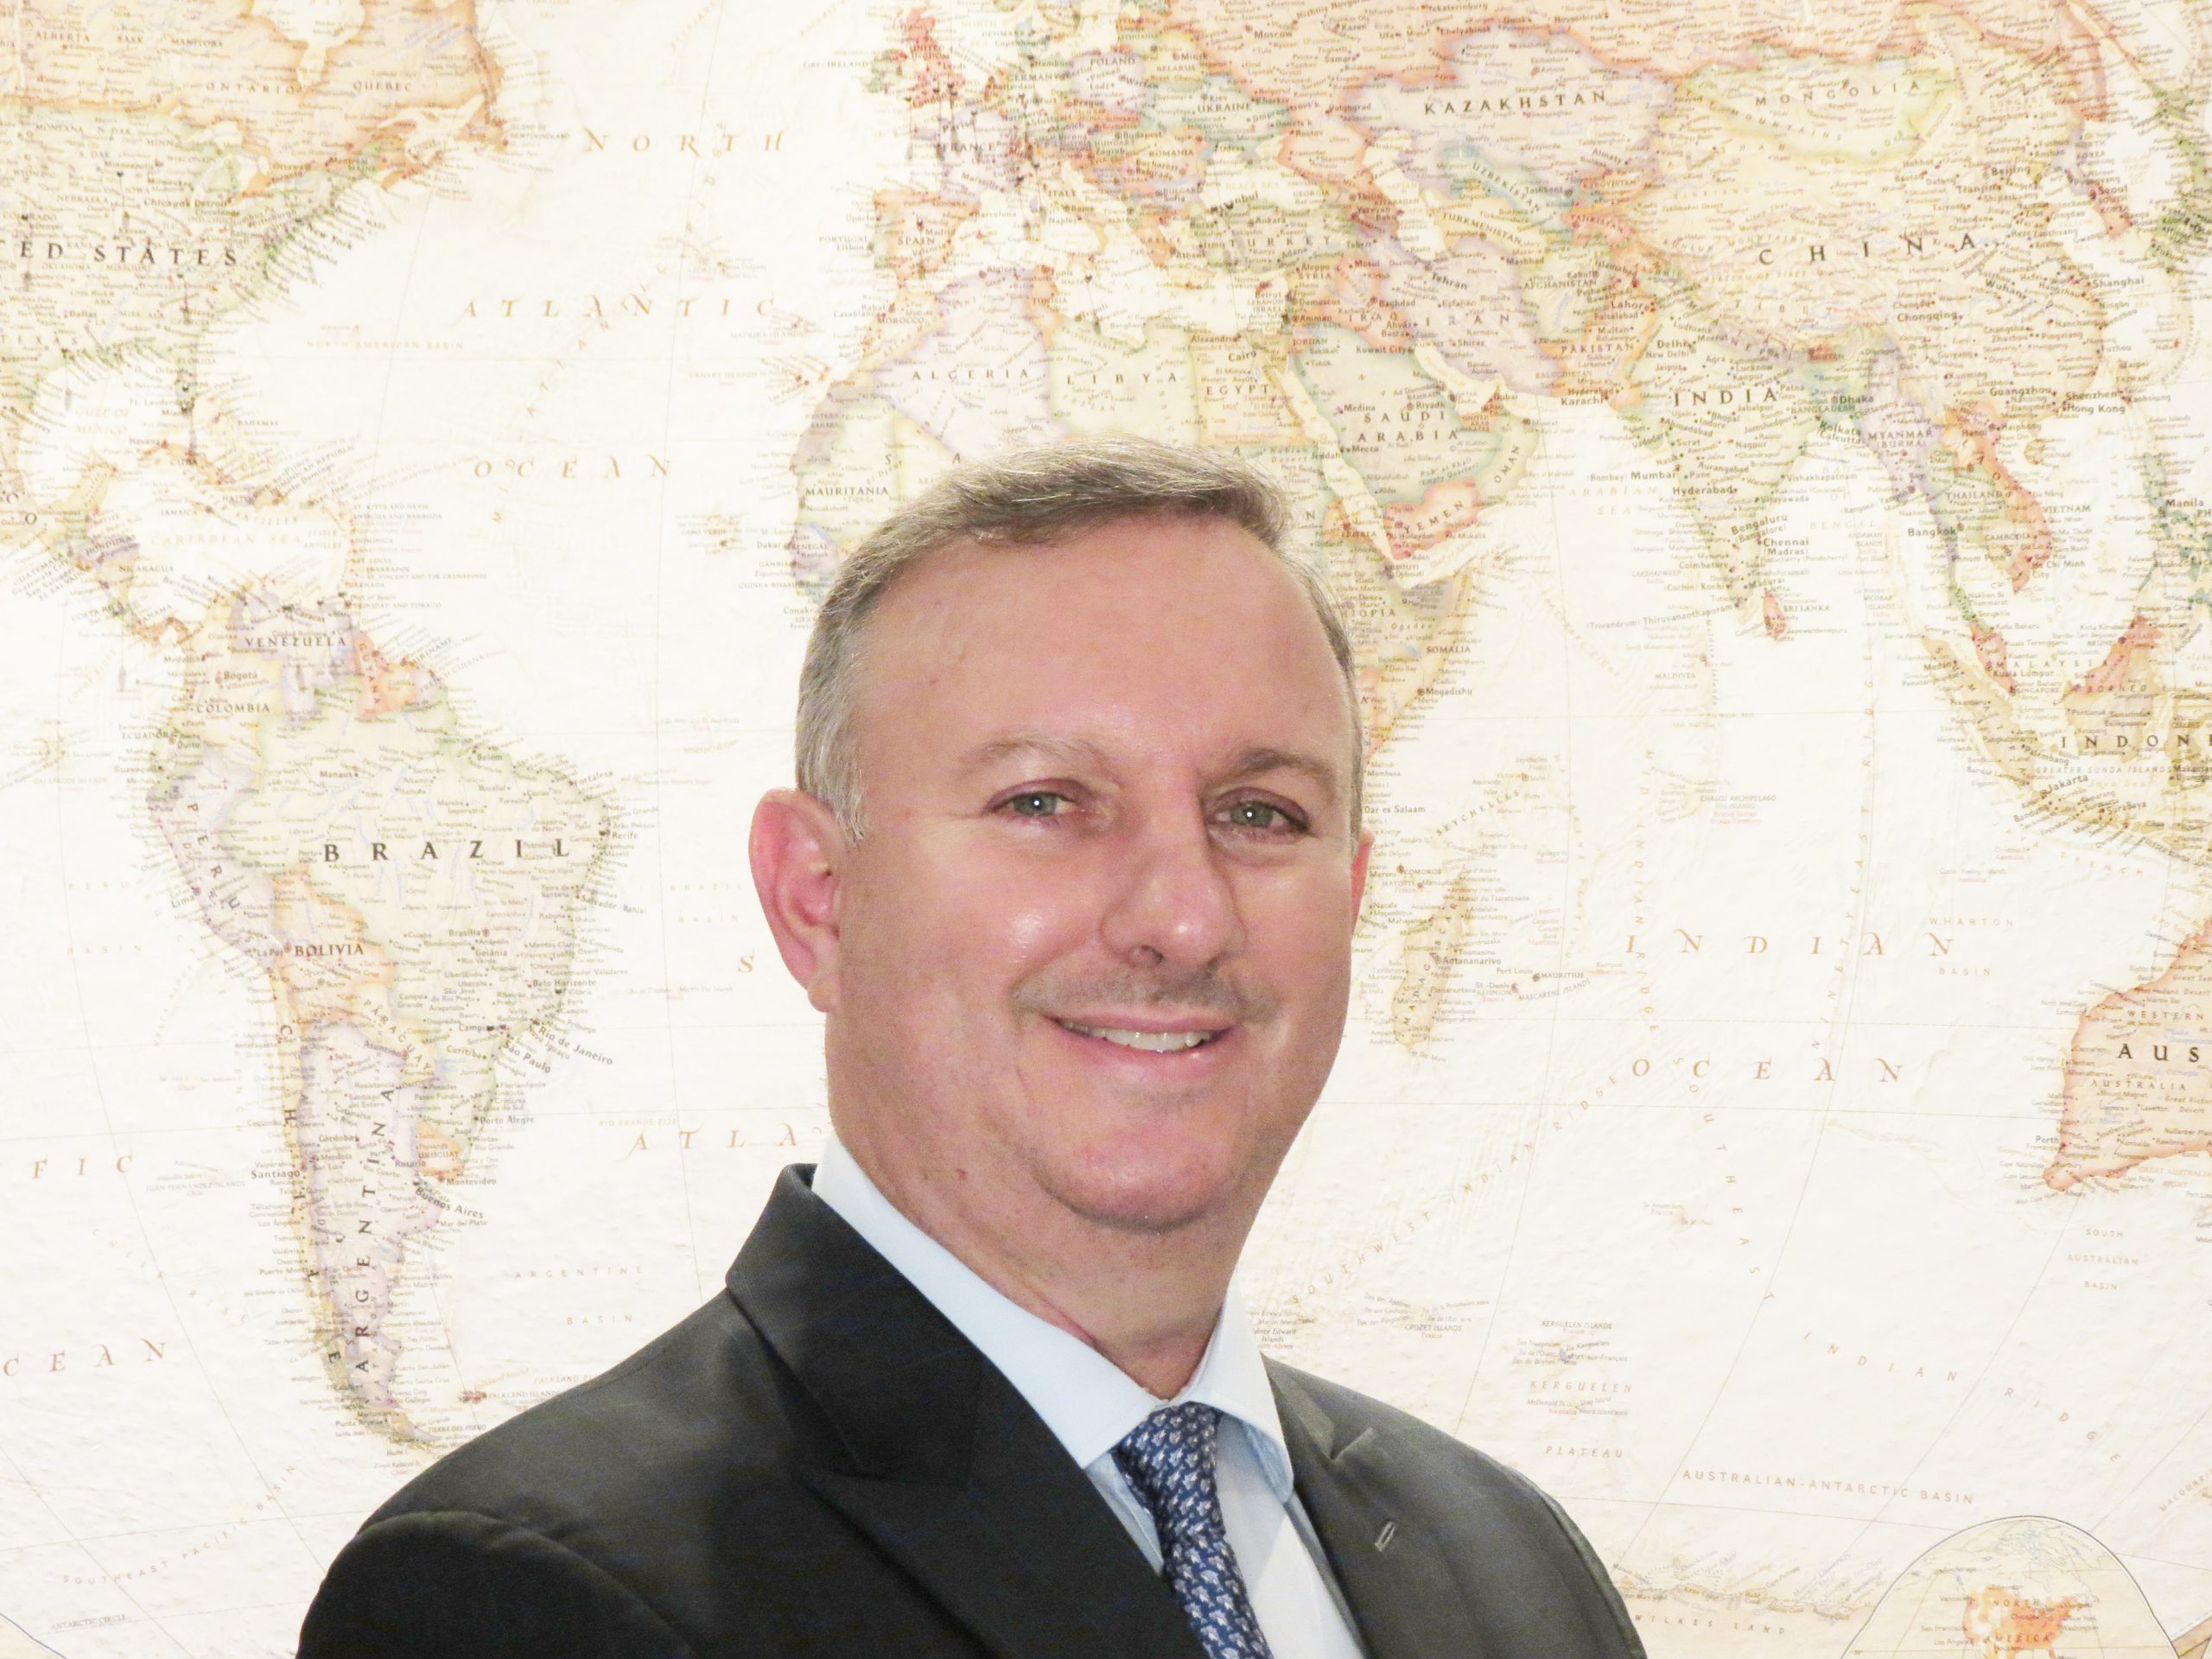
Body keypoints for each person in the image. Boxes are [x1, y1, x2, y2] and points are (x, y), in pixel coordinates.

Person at [297, 437, 1647, 1658]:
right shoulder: (533, 1600)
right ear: (817, 899)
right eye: (1047, 801)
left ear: (1351, 895)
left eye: (1260, 813)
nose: (1184, 916)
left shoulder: (1512, 1568)